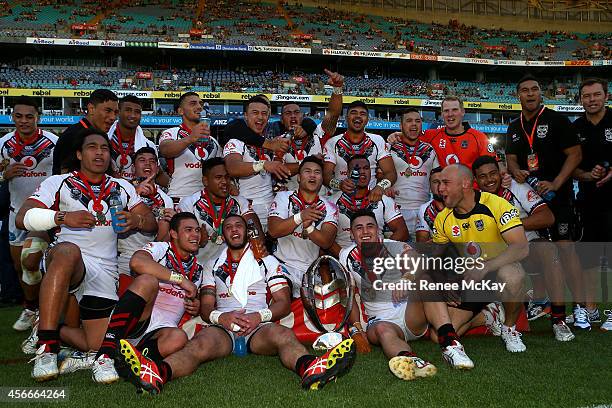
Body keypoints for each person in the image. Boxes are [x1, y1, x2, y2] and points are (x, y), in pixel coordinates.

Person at [114, 214, 357, 394]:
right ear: (224, 234)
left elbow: (282, 303)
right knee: (197, 346)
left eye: (238, 225)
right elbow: (207, 307)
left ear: (246, 231)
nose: (234, 230)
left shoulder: (268, 261)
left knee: (283, 335)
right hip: (224, 328)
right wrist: (222, 318)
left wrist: (258, 317)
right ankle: (157, 374)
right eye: (228, 227)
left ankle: (310, 368)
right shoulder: (212, 265)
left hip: (258, 325)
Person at [16, 129, 157, 382]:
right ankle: (47, 348)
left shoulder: (122, 186)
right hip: (68, 261)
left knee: (96, 344)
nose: (99, 152)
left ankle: (51, 329)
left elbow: (151, 223)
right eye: (92, 147)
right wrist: (61, 217)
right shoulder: (58, 182)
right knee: (69, 251)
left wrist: (135, 219)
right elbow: (22, 217)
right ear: (80, 154)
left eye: (104, 149)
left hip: (105, 270)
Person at [504, 75, 588, 329]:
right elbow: (510, 158)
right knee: (537, 250)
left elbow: (575, 155)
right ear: (517, 95)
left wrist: (557, 183)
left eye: (534, 90)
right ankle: (543, 301)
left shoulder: (557, 121)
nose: (530, 94)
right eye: (524, 90)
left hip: (557, 196)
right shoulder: (514, 126)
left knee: (566, 250)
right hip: (528, 199)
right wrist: (516, 169)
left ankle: (582, 308)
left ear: (541, 93)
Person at [473, 155, 575, 341]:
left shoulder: (516, 187)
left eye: (493, 174)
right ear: (475, 180)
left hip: (525, 245)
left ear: (500, 173)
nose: (489, 180)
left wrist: (510, 224)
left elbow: (547, 217)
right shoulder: (474, 199)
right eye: (482, 176)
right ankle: (496, 311)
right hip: (495, 254)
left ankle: (559, 320)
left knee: (549, 250)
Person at [93, 212, 204, 384]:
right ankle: (105, 353)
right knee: (147, 280)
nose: (195, 235)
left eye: (197, 230)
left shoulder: (199, 268)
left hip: (162, 331)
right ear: (173, 234)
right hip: (138, 319)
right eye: (188, 230)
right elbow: (137, 262)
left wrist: (196, 305)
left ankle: (126, 361)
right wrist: (180, 280)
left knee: (179, 337)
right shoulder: (160, 248)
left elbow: (201, 304)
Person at [433, 164, 529, 353]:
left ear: (465, 184)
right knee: (440, 336)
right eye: (438, 184)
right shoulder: (443, 218)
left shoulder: (497, 204)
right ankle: (489, 315)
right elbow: (437, 258)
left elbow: (521, 247)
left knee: (512, 274)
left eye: (445, 183)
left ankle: (509, 328)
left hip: (498, 274)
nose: (440, 189)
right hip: (471, 281)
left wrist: (485, 267)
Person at [340, 209, 437, 380]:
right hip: (381, 321)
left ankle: (451, 340)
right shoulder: (345, 256)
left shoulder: (394, 245)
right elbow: (348, 295)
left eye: (370, 226)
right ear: (351, 234)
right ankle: (412, 361)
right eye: (359, 228)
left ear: (378, 230)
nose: (365, 232)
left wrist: (406, 278)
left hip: (411, 315)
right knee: (384, 330)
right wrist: (356, 327)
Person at [0, 96, 58, 332]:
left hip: (44, 216)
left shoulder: (53, 143)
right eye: (18, 116)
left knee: (34, 261)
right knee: (20, 268)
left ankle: (42, 309)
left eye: (29, 116)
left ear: (38, 117)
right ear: (12, 116)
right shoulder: (4, 144)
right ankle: (30, 307)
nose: (23, 121)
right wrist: (4, 176)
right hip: (16, 215)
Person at [572, 78, 612, 331]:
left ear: (606, 96)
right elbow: (569, 166)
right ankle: (591, 309)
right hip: (588, 201)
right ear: (580, 100)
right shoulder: (575, 128)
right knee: (588, 258)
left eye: (596, 95)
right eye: (586, 96)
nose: (592, 100)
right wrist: (586, 176)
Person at [268, 156, 338, 298]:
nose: (312, 175)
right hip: (282, 266)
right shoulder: (283, 197)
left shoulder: (331, 207)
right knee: (281, 301)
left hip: (310, 271)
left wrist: (310, 228)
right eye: (307, 171)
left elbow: (326, 242)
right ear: (299, 177)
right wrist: (300, 217)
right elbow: (273, 230)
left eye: (317, 172)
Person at [223, 95, 290, 229]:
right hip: (246, 209)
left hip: (273, 208)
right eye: (255, 113)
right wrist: (263, 164)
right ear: (245, 116)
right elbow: (232, 167)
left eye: (264, 114)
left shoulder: (271, 142)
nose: (260, 117)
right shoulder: (236, 142)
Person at [178, 157, 260, 264]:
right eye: (218, 177)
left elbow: (256, 233)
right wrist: (198, 241)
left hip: (232, 268)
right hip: (197, 267)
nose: (225, 182)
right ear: (205, 181)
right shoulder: (188, 203)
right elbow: (179, 243)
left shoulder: (240, 202)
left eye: (227, 177)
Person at [117, 147, 174, 295]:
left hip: (149, 258)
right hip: (122, 256)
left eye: (152, 161)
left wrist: (171, 225)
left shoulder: (166, 199)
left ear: (157, 167)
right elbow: (112, 217)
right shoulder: (121, 188)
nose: (147, 164)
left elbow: (161, 240)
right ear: (133, 167)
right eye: (142, 160)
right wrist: (134, 192)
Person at [329, 155, 408, 255]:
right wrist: (345, 256)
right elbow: (325, 238)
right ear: (348, 174)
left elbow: (402, 231)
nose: (362, 171)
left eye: (366, 168)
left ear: (371, 173)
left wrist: (383, 250)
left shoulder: (383, 199)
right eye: (357, 168)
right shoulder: (332, 202)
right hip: (344, 258)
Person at [323, 100, 396, 202]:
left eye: (362, 114)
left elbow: (391, 173)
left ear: (367, 120)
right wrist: (339, 184)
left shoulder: (377, 140)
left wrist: (380, 187)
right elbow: (326, 175)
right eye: (353, 113)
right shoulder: (332, 143)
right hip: (341, 200)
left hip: (370, 199)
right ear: (346, 118)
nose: (358, 116)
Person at [158, 92, 221, 202]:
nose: (199, 107)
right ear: (181, 111)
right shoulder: (171, 133)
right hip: (178, 198)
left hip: (206, 201)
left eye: (200, 104)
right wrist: (191, 138)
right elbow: (165, 150)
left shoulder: (213, 141)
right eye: (193, 103)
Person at [389, 108, 440, 232]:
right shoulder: (390, 148)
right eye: (409, 121)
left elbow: (437, 179)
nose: (413, 124)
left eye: (417, 121)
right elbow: (380, 175)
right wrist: (385, 186)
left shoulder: (429, 150)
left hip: (423, 209)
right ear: (401, 125)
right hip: (396, 210)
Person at [52, 89, 118, 175]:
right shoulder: (72, 136)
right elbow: (65, 176)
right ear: (91, 109)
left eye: (115, 112)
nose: (113, 117)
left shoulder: (100, 135)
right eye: (108, 111)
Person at [421, 96, 495, 169]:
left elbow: (492, 166)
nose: (450, 114)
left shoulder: (479, 137)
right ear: (442, 114)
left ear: (463, 112)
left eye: (455, 110)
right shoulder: (430, 135)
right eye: (446, 111)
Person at [107, 96, 157, 182]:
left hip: (136, 192)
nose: (133, 115)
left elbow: (156, 174)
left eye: (137, 112)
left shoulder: (149, 145)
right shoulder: (104, 140)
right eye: (128, 110)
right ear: (118, 112)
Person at [415, 168, 444, 242]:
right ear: (429, 187)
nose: (440, 186)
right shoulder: (424, 209)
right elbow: (422, 241)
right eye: (435, 182)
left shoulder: (459, 206)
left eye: (444, 182)